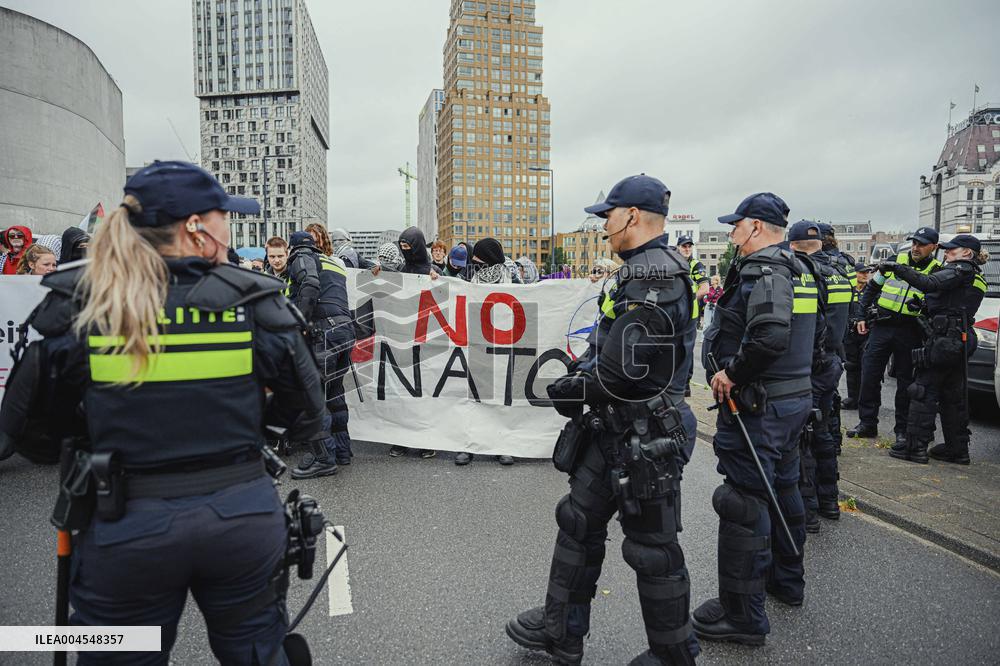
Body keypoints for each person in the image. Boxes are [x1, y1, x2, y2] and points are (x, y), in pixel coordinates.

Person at [0, 160, 327, 663]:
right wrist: (241, 426)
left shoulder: (82, 307)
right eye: (223, 216)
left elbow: (31, 431)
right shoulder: (254, 303)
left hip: (125, 528)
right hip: (240, 519)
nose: (230, 228)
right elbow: (308, 414)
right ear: (195, 227)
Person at [506, 175, 700, 666]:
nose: (603, 226)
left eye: (607, 216)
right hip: (615, 427)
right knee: (577, 522)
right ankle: (560, 632)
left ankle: (674, 656)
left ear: (632, 216)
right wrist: (581, 373)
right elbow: (611, 347)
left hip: (647, 437)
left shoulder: (654, 275)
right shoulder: (642, 269)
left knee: (653, 551)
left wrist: (575, 387)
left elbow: (626, 371)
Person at [693, 193, 816, 645]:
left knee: (743, 502)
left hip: (760, 408)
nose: (731, 234)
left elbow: (768, 336)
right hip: (791, 400)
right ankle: (786, 581)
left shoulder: (765, 271)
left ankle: (741, 615)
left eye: (736, 226)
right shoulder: (801, 270)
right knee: (783, 489)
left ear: (757, 228)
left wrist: (731, 372)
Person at [876, 234, 986, 464]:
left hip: (945, 340)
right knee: (952, 395)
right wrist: (925, 307)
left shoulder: (961, 269)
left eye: (951, 250)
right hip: (959, 338)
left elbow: (931, 283)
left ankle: (914, 448)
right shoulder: (974, 276)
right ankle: (957, 450)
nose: (946, 254)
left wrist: (898, 267)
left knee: (923, 390)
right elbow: (954, 304)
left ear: (966, 252)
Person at [848, 227, 941, 444]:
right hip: (882, 326)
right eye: (914, 243)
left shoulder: (937, 270)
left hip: (910, 330)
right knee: (869, 375)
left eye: (922, 244)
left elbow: (936, 304)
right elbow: (871, 289)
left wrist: (925, 306)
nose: (916, 247)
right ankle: (867, 423)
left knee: (905, 382)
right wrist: (861, 316)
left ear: (934, 247)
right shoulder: (894, 260)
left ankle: (902, 429)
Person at [788, 220, 850, 530]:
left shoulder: (803, 274)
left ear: (792, 244)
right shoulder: (840, 272)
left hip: (810, 365)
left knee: (803, 439)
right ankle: (829, 502)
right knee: (824, 432)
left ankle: (807, 512)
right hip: (832, 362)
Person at [286, 231, 357, 477]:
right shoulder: (332, 262)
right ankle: (341, 451)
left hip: (322, 331)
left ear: (291, 248)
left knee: (314, 395)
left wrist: (298, 322)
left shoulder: (301, 257)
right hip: (345, 330)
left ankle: (323, 458)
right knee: (334, 394)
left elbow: (310, 283)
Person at [677, 235, 709, 395]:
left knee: (686, 348)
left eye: (689, 246)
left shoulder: (696, 265)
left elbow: (705, 288)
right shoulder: (674, 263)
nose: (687, 249)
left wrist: (685, 299)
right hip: (675, 313)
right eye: (684, 246)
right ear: (678, 247)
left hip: (690, 313)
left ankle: (685, 385)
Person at [841, 263, 873, 409]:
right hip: (850, 335)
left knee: (866, 367)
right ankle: (852, 399)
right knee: (851, 366)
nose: (865, 275)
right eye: (862, 272)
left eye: (867, 272)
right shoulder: (848, 290)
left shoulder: (872, 291)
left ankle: (864, 400)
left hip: (867, 335)